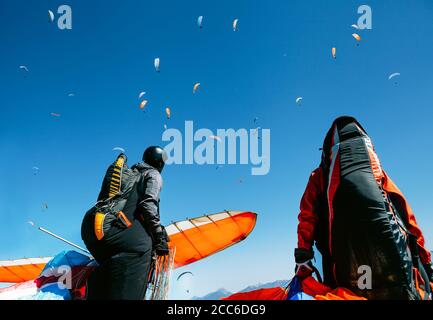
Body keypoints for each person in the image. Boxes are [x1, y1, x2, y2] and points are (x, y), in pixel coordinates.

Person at [294, 116, 433, 300]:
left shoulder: (319, 176)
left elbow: (307, 216)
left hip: (344, 264)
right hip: (391, 266)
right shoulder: (377, 174)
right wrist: (426, 262)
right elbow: (405, 213)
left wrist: (303, 256)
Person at [82, 146, 169, 300]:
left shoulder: (131, 174)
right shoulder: (152, 174)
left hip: (92, 230)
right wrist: (159, 237)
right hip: (111, 230)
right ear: (160, 162)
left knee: (114, 265)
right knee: (143, 248)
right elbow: (148, 205)